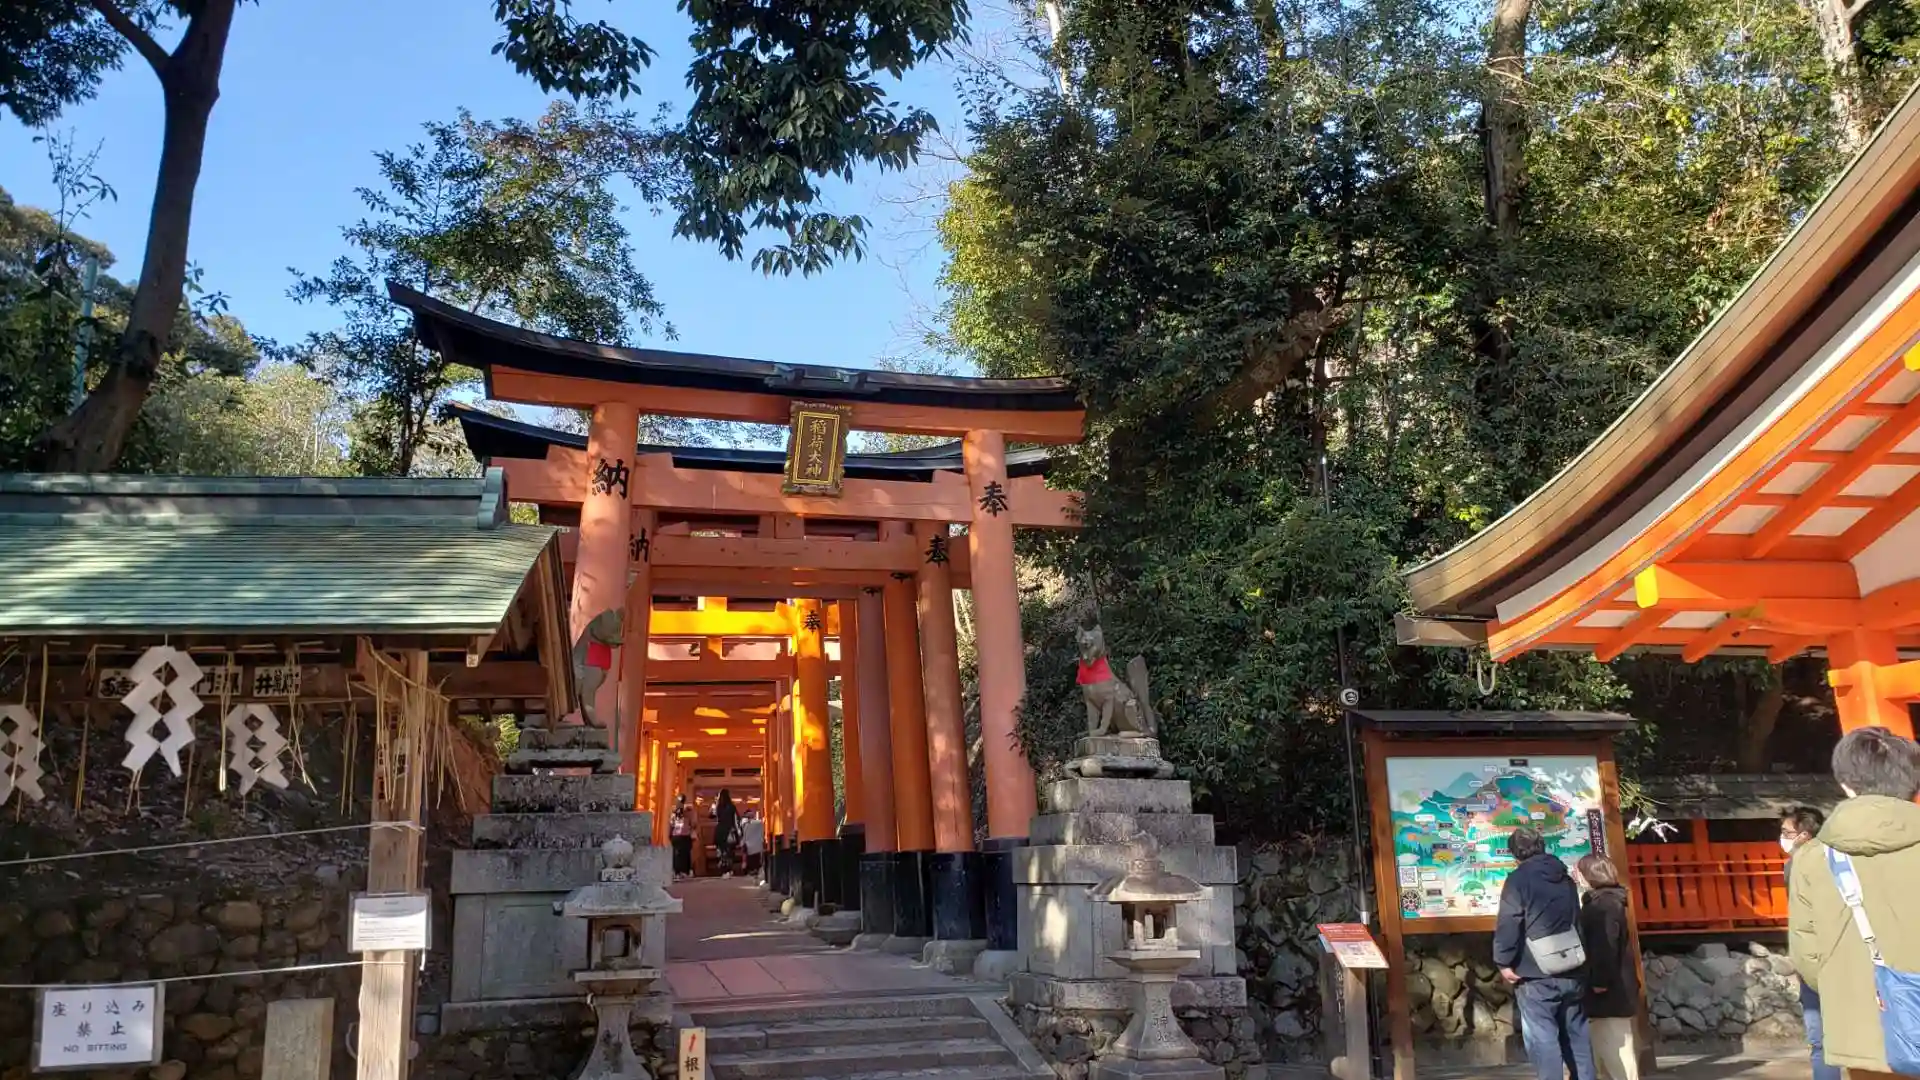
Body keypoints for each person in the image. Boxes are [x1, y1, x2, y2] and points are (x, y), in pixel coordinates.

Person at [1789, 726, 1920, 1080]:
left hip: (1865, 1031)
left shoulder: (1813, 858)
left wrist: (1852, 987)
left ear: (1846, 783)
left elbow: (1808, 956)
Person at [1495, 826, 1595, 1080]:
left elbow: (1509, 922)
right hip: (1572, 966)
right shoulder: (1564, 877)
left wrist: (1503, 961)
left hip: (1535, 970)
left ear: (1515, 853)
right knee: (1577, 1034)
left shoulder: (1518, 880)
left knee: (1543, 1038)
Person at [1781, 805, 1840, 1080]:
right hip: (1821, 956)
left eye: (1786, 832)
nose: (1782, 838)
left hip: (1820, 958)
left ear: (1804, 835)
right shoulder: (1799, 864)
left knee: (1821, 1039)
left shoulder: (1805, 865)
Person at [1574, 854, 1639, 1080]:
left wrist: (1599, 981)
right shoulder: (1609, 901)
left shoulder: (1603, 905)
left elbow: (1605, 945)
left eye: (1579, 872)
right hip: (1615, 986)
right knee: (1607, 1050)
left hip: (1610, 990)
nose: (1577, 877)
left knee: (1616, 1050)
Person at [714, 789, 740, 877]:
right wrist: (738, 831)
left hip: (720, 831)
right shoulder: (732, 807)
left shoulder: (718, 806)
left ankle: (724, 869)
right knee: (730, 851)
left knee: (722, 851)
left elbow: (712, 815)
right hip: (729, 830)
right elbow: (736, 819)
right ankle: (729, 869)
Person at [669, 797, 694, 880]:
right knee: (685, 854)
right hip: (685, 835)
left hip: (676, 836)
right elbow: (693, 824)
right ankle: (685, 871)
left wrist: (670, 834)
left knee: (677, 855)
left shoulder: (674, 812)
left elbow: (671, 825)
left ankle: (677, 872)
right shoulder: (688, 812)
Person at [742, 809, 766, 877]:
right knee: (755, 858)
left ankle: (750, 870)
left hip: (749, 845)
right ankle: (755, 870)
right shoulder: (758, 823)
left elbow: (744, 836)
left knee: (749, 857)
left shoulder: (745, 824)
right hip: (757, 845)